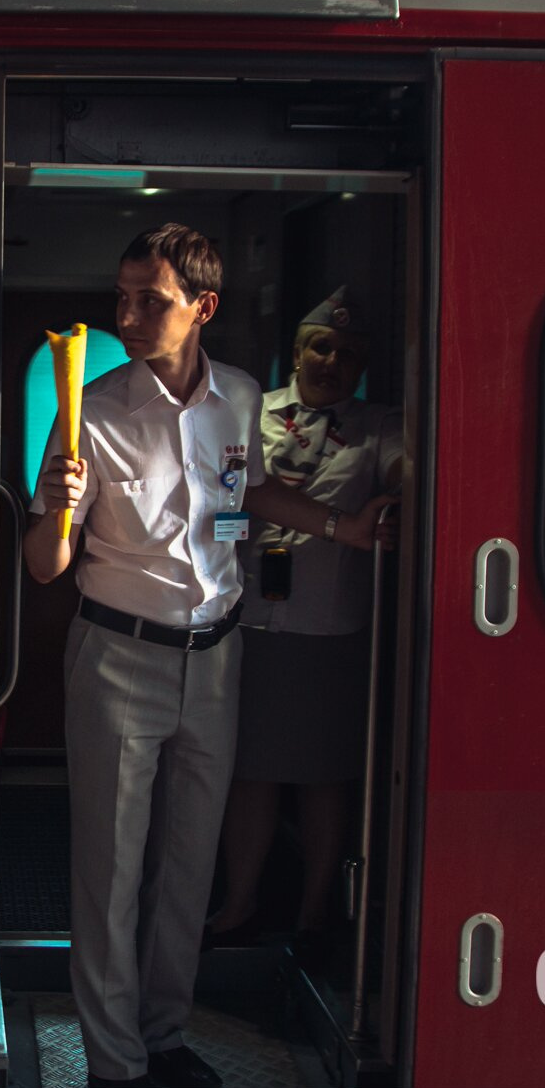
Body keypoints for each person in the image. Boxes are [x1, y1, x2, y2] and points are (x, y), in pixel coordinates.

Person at [26, 225, 390, 1088]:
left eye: (150, 300)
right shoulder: (95, 410)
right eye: (122, 297)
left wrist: (343, 527)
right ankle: (115, 1065)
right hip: (119, 654)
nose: (128, 314)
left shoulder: (237, 397)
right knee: (111, 873)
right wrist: (55, 507)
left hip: (217, 655)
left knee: (189, 863)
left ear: (204, 308)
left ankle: (163, 1034)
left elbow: (250, 490)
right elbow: (46, 567)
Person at [207, 287, 404, 962]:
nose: (332, 361)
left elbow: (407, 478)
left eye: (349, 354)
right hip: (249, 618)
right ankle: (241, 904)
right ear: (296, 351)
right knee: (250, 771)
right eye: (321, 346)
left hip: (329, 627)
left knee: (325, 774)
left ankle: (318, 909)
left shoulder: (380, 426)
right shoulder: (250, 412)